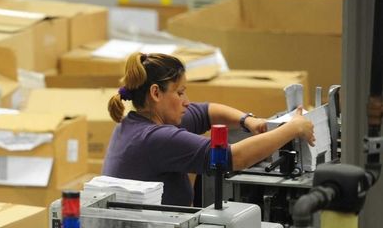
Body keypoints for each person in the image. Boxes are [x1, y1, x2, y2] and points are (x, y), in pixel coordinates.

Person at [103, 52, 315, 206]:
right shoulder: (156, 138)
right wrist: (293, 128)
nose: (186, 102)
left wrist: (247, 121)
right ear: (156, 93)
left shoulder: (137, 123)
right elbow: (234, 158)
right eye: (180, 93)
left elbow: (206, 112)